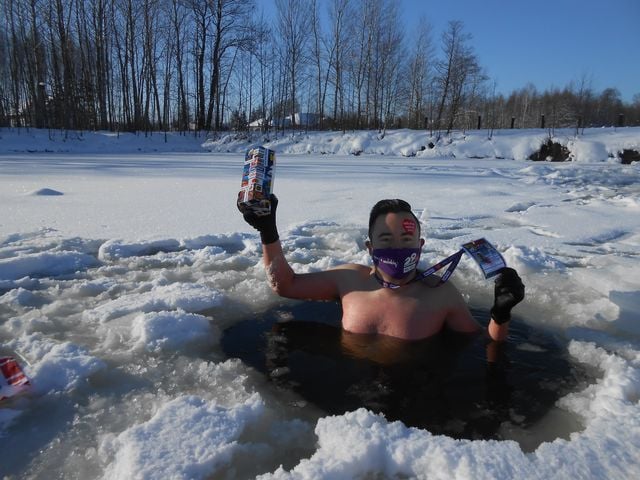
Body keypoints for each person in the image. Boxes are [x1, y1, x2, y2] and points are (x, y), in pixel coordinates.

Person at [238, 196, 524, 342]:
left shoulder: (440, 293)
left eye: (406, 240)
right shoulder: (349, 280)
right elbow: (285, 285)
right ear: (370, 247)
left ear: (420, 245)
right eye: (386, 240)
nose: (397, 248)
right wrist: (268, 231)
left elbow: (484, 342)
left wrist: (500, 314)